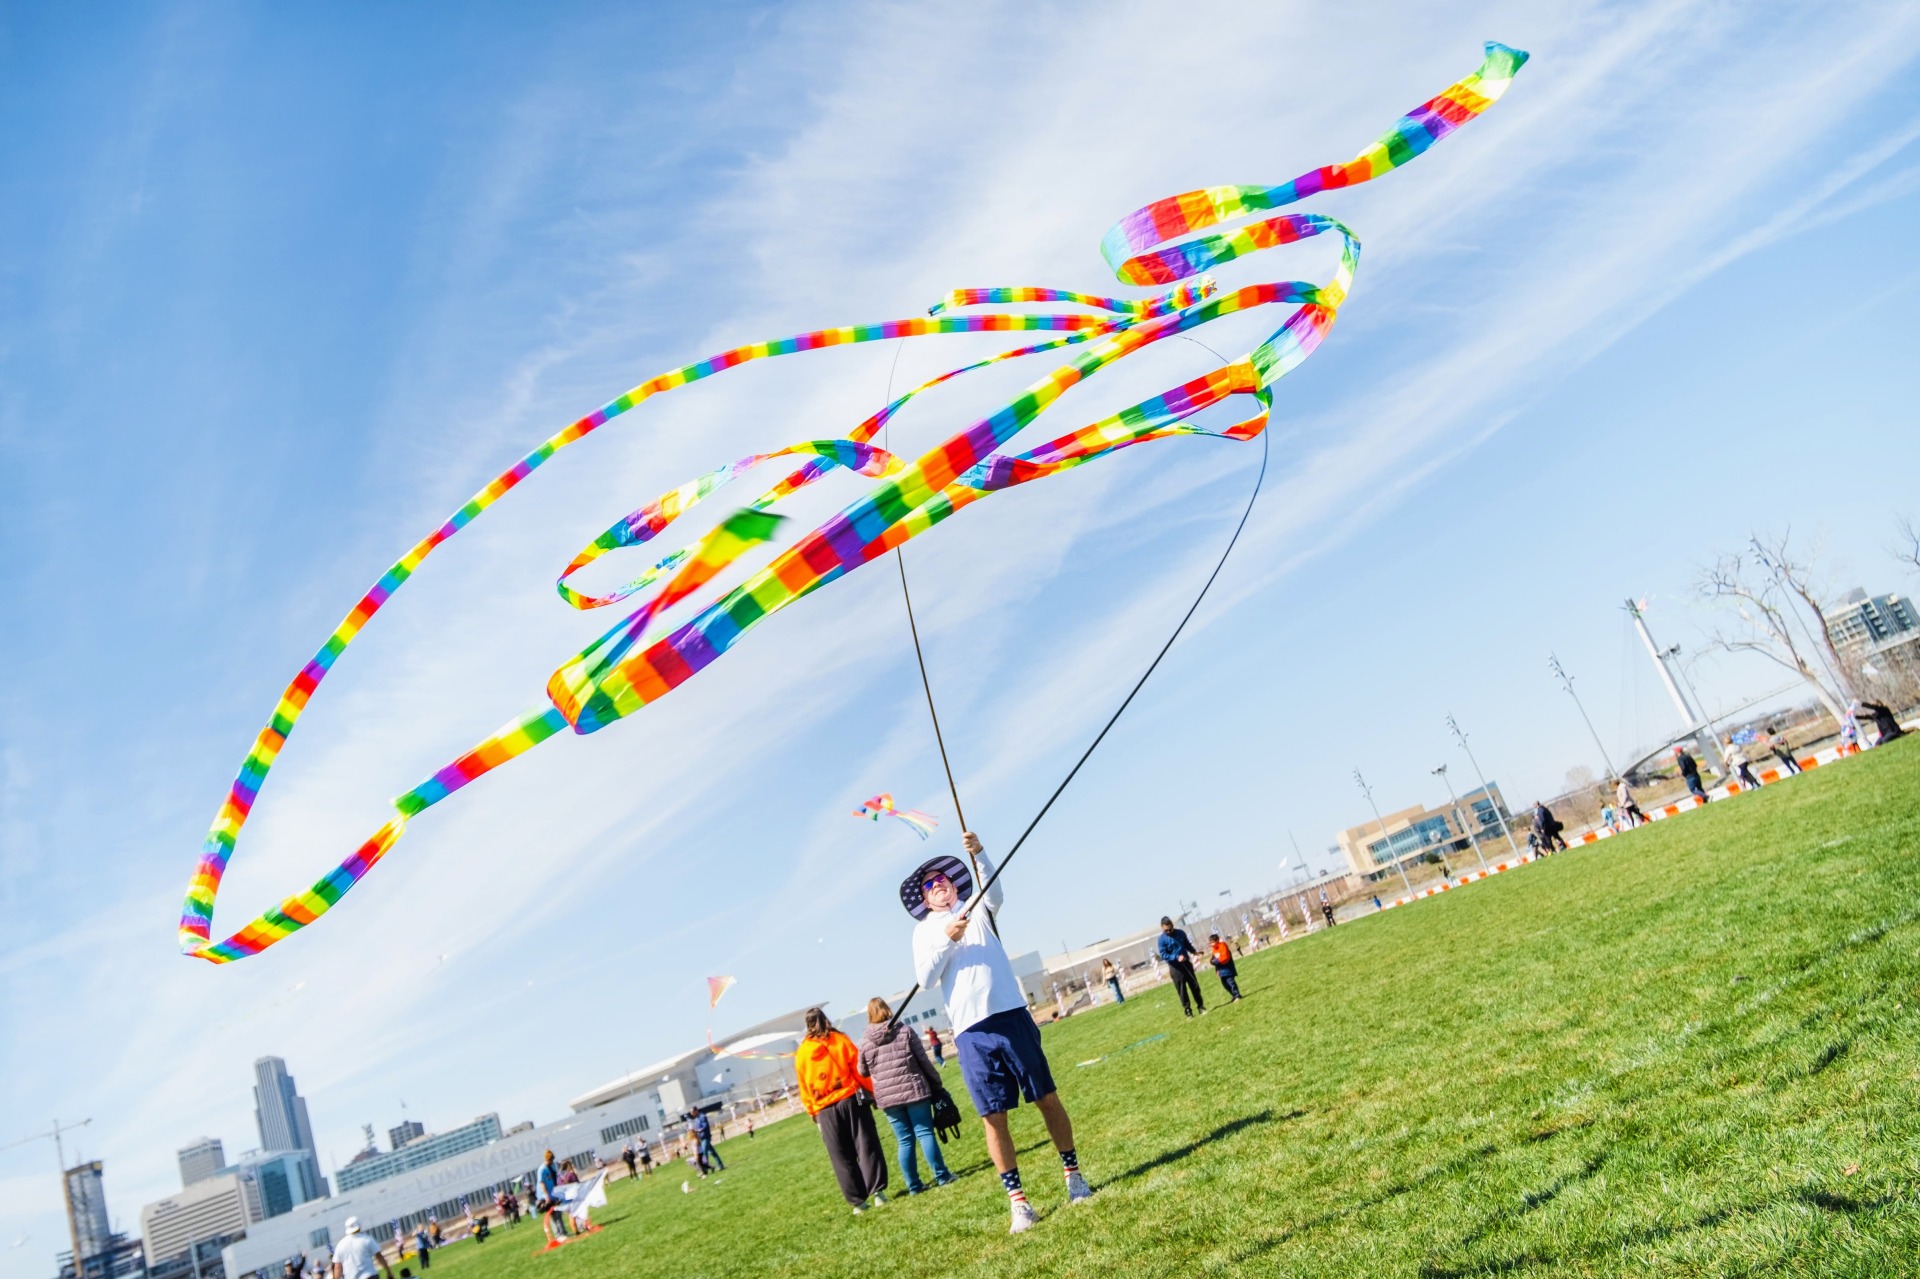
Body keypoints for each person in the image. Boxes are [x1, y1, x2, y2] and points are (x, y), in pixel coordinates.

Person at [905, 832, 1091, 1233]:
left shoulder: (977, 905)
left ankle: (1074, 1176)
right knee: (994, 1117)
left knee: (1047, 1098)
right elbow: (925, 979)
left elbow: (995, 891)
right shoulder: (925, 932)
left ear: (954, 884)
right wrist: (947, 941)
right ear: (923, 896)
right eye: (930, 883)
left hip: (1011, 1015)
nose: (939, 884)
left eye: (943, 878)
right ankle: (1019, 1204)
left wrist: (980, 853)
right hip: (971, 1032)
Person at [860, 996, 957, 1194]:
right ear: (887, 1010)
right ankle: (942, 1175)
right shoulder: (904, 1031)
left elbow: (862, 1071)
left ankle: (913, 1185)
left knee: (904, 1141)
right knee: (924, 1133)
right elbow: (923, 1060)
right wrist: (936, 1083)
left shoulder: (865, 1042)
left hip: (888, 1098)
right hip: (914, 1090)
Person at [796, 1006, 889, 1213]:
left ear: (807, 1025)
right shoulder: (840, 1040)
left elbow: (803, 1086)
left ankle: (857, 1202)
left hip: (824, 1109)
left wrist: (812, 1110)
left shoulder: (802, 1053)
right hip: (849, 1099)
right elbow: (859, 1070)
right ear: (825, 1019)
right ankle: (878, 1193)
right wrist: (871, 1092)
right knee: (865, 1145)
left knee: (840, 1155)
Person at [1156, 916, 1207, 1017]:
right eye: (1166, 930)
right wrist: (1176, 957)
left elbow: (1187, 945)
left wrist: (1194, 952)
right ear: (1162, 927)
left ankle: (1201, 1006)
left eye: (1170, 929)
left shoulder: (1180, 933)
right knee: (1182, 990)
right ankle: (1188, 1010)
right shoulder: (1161, 940)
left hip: (1186, 964)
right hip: (1175, 968)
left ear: (1172, 925)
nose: (1169, 931)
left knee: (1195, 986)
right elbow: (1163, 955)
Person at [329, 1218, 394, 1279]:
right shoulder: (367, 1239)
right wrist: (388, 1271)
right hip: (369, 1275)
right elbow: (379, 1256)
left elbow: (337, 1267)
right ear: (359, 1227)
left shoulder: (340, 1245)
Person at [1207, 933, 1242, 1002]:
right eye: (1210, 943)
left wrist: (1215, 961)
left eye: (1212, 942)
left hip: (1228, 968)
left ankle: (1237, 995)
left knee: (1231, 982)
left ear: (1217, 940)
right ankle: (1234, 996)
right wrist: (1216, 968)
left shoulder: (1223, 946)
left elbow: (1225, 958)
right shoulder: (1214, 949)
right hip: (1221, 970)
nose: (1211, 944)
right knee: (1225, 984)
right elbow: (1214, 958)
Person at [690, 1108, 726, 1172]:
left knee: (704, 1153)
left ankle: (705, 1169)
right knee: (713, 1153)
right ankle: (721, 1166)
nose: (692, 1114)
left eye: (692, 1112)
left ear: (696, 1111)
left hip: (706, 1137)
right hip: (701, 1138)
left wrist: (699, 1130)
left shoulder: (702, 1117)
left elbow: (705, 1126)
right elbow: (696, 1128)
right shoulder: (696, 1120)